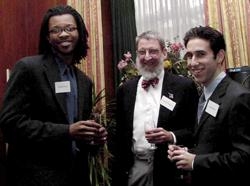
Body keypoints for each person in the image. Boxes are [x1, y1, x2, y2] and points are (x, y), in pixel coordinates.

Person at [0, 5, 107, 186]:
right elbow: (10, 124)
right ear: (48, 37)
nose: (63, 34)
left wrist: (93, 138)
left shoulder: (84, 81)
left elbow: (79, 140)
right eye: (55, 30)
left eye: (69, 28)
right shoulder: (28, 69)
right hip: (35, 179)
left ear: (79, 32)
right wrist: (67, 131)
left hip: (75, 178)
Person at [111, 30, 199, 186]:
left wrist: (170, 135)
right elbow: (119, 134)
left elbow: (195, 130)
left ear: (164, 53)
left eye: (153, 51)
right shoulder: (125, 90)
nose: (147, 56)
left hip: (169, 169)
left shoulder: (183, 86)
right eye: (141, 52)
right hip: (134, 168)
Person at [168, 26, 250, 185]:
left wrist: (195, 161)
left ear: (219, 56)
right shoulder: (204, 96)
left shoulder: (238, 97)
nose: (192, 62)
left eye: (200, 55)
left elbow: (245, 157)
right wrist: (188, 153)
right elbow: (214, 144)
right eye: (189, 55)